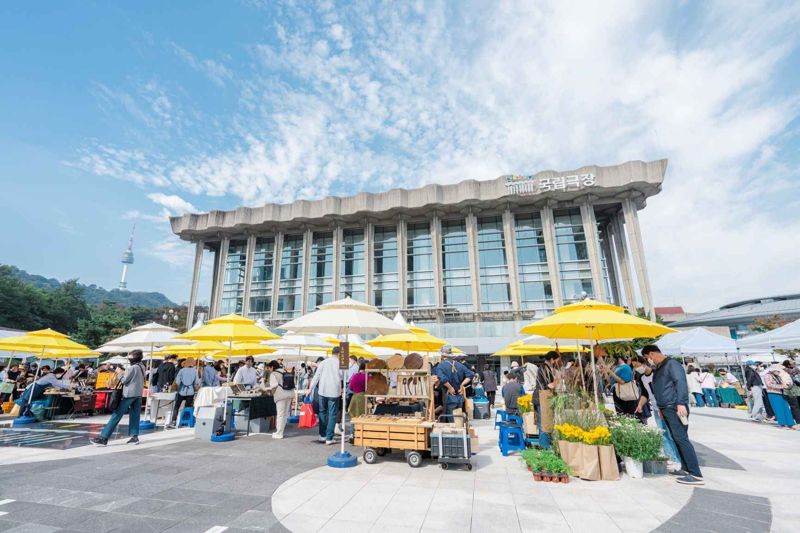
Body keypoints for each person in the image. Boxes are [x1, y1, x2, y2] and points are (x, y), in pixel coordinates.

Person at [642, 345, 704, 485]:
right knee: (675, 438)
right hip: (665, 408)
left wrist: (681, 403)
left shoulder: (672, 364)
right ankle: (686, 468)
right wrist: (660, 408)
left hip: (675, 406)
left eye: (647, 358)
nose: (648, 361)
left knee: (681, 438)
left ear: (652, 354)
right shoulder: (659, 367)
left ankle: (696, 473)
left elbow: (680, 382)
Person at [632, 356, 681, 469]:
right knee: (663, 433)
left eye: (637, 365)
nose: (636, 368)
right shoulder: (642, 378)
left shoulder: (657, 374)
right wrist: (640, 404)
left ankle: (679, 458)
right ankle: (671, 457)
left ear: (644, 363)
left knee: (672, 433)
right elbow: (646, 394)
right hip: (655, 408)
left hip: (665, 407)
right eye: (634, 367)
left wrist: (661, 407)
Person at [91, 350, 147, 445]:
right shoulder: (142, 366)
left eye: (130, 356)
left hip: (129, 394)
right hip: (138, 394)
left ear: (133, 357)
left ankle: (104, 438)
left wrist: (120, 373)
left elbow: (124, 381)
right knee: (135, 416)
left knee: (116, 415)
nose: (129, 358)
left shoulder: (131, 368)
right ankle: (134, 437)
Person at [308, 348, 344, 445]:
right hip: (334, 392)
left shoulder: (323, 362)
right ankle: (329, 437)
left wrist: (310, 389)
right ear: (339, 354)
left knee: (322, 412)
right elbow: (344, 377)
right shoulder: (340, 364)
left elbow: (316, 376)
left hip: (322, 391)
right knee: (332, 414)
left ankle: (322, 435)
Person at [432, 345, 474, 418]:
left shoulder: (441, 366)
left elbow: (443, 378)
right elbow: (470, 375)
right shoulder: (459, 365)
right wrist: (461, 385)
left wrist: (450, 387)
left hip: (449, 397)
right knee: (459, 419)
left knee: (452, 421)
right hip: (460, 397)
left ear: (442, 355)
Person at [533, 351, 561, 450]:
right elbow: (548, 385)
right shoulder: (544, 368)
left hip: (542, 398)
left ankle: (544, 446)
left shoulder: (546, 368)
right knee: (544, 423)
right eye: (556, 360)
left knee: (544, 422)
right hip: (542, 398)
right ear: (552, 359)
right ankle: (545, 448)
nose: (556, 363)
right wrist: (557, 380)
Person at [166, 357, 200, 429]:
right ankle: (185, 421)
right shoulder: (195, 371)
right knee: (188, 406)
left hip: (181, 391)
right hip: (190, 391)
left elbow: (177, 382)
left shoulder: (181, 370)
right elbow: (196, 382)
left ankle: (173, 421)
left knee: (176, 406)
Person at [762, 362, 797, 430]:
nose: (778, 371)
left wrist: (785, 385)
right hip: (773, 393)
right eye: (777, 370)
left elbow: (781, 382)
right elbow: (769, 385)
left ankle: (790, 423)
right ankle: (782, 424)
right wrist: (781, 386)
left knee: (786, 408)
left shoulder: (777, 375)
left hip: (780, 393)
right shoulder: (767, 375)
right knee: (779, 409)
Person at [266, 360, 295, 439]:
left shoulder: (274, 374)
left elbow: (273, 385)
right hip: (289, 394)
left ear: (272, 367)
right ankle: (281, 431)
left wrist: (265, 389)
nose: (269, 369)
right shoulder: (285, 371)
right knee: (285, 414)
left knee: (280, 414)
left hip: (281, 395)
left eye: (269, 368)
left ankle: (279, 433)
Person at [781, 360, 800, 425]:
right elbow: (795, 371)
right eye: (791, 364)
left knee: (796, 405)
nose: (793, 364)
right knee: (794, 406)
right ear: (788, 365)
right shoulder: (786, 370)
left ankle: (797, 418)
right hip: (791, 390)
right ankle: (797, 420)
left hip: (795, 390)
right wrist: (795, 366)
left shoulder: (788, 370)